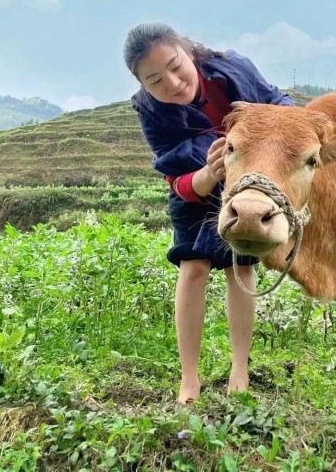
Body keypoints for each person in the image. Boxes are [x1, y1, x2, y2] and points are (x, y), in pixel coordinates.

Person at [123, 23, 293, 403]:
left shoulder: (233, 69)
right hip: (195, 190)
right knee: (194, 268)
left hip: (245, 186)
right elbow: (176, 180)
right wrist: (207, 174)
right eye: (155, 79)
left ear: (188, 52)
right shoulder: (151, 114)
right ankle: (189, 378)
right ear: (143, 87)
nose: (173, 82)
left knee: (240, 268)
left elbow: (277, 103)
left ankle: (239, 368)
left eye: (175, 65)